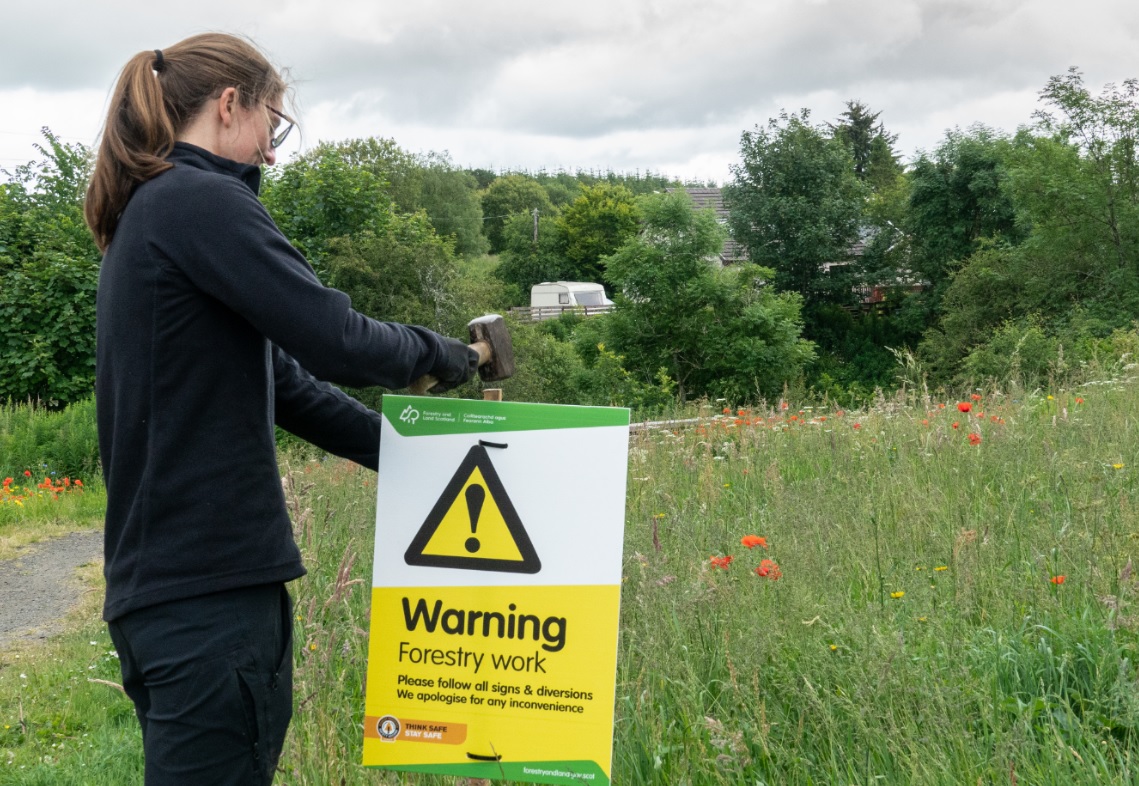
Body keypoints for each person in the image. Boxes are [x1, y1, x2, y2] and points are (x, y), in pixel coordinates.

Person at [84, 33, 477, 785]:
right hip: (209, 598)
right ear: (229, 105)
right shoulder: (198, 201)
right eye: (275, 121)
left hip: (175, 595)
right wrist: (438, 352)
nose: (271, 148)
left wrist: (421, 456)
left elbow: (290, 387)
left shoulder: (154, 213)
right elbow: (337, 340)